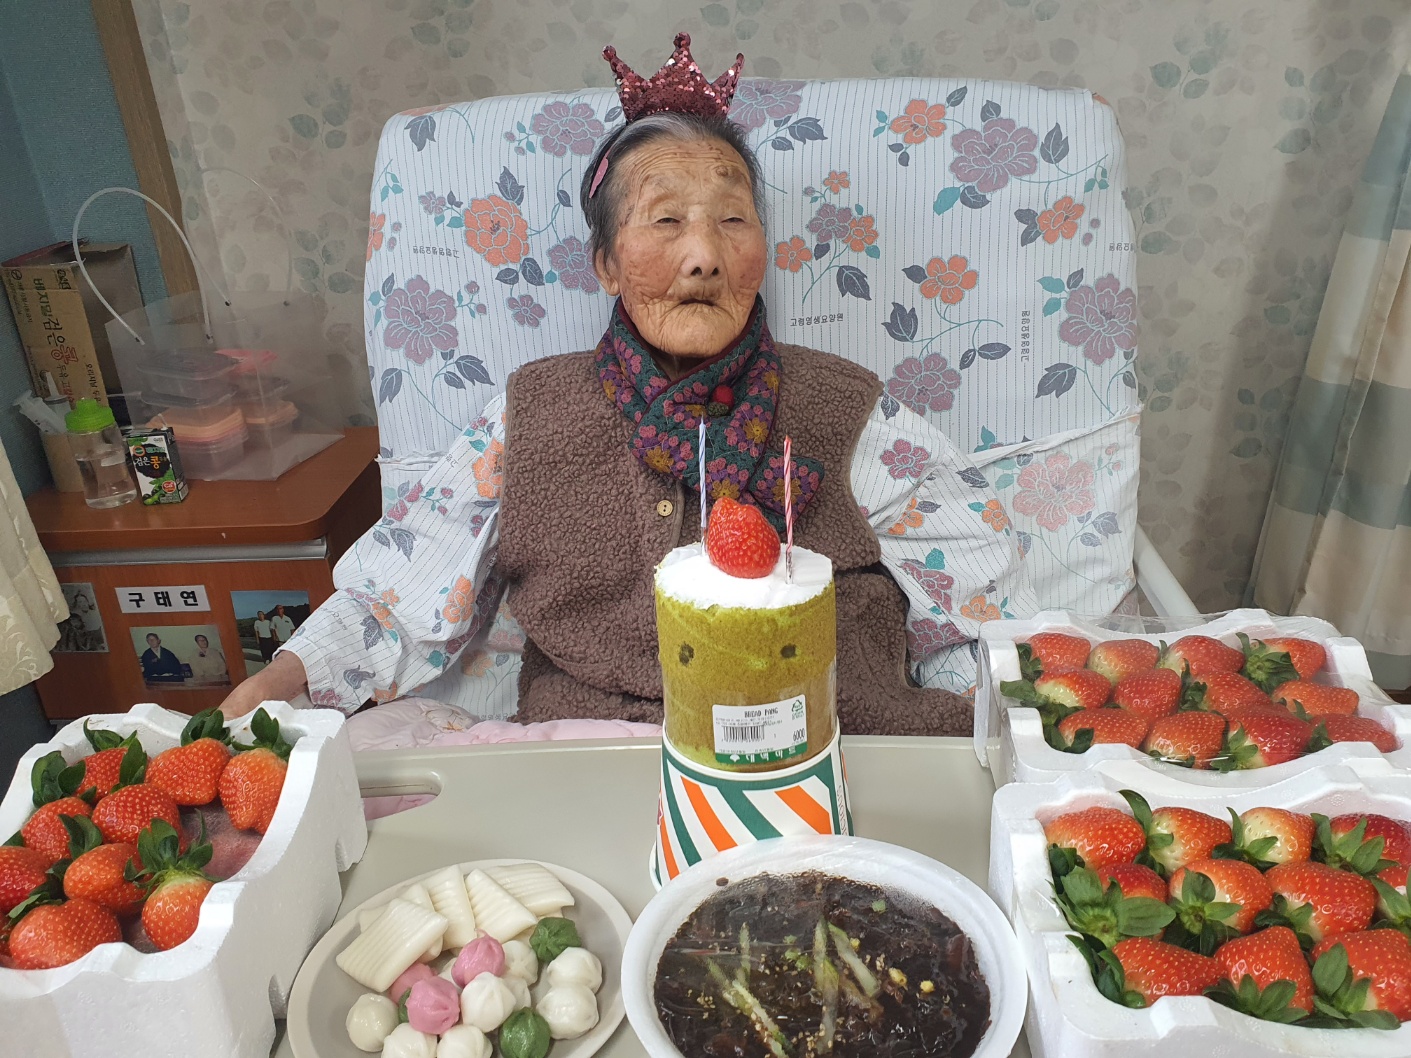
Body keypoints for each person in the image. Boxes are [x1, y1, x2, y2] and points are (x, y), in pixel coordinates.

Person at [220, 33, 1035, 733]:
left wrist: (992, 735)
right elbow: (396, 604)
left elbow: (981, 616)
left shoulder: (845, 407)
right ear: (607, 263)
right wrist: (280, 682)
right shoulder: (530, 416)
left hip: (833, 743)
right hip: (592, 761)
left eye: (733, 219)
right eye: (666, 219)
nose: (704, 255)